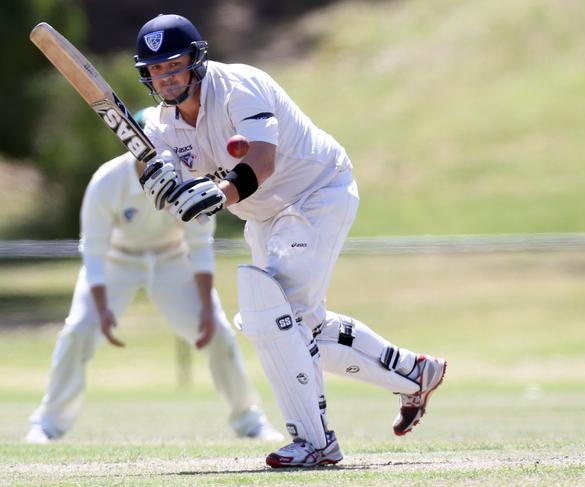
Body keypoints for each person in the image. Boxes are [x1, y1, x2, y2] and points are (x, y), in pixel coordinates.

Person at [134, 14, 447, 468]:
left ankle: (315, 443)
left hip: (316, 193)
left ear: (196, 61)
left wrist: (217, 194)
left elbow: (261, 160)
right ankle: (415, 373)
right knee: (304, 327)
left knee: (271, 318)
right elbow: (167, 181)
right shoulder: (166, 125)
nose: (166, 77)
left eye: (174, 65)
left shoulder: (239, 87)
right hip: (264, 215)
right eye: (156, 70)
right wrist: (156, 182)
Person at [25, 107, 283, 444]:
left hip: (171, 260)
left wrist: (207, 307)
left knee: (219, 332)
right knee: (77, 332)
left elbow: (200, 245)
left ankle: (250, 421)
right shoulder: (108, 181)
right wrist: (101, 309)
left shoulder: (189, 178)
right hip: (118, 260)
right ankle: (47, 424)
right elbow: (94, 250)